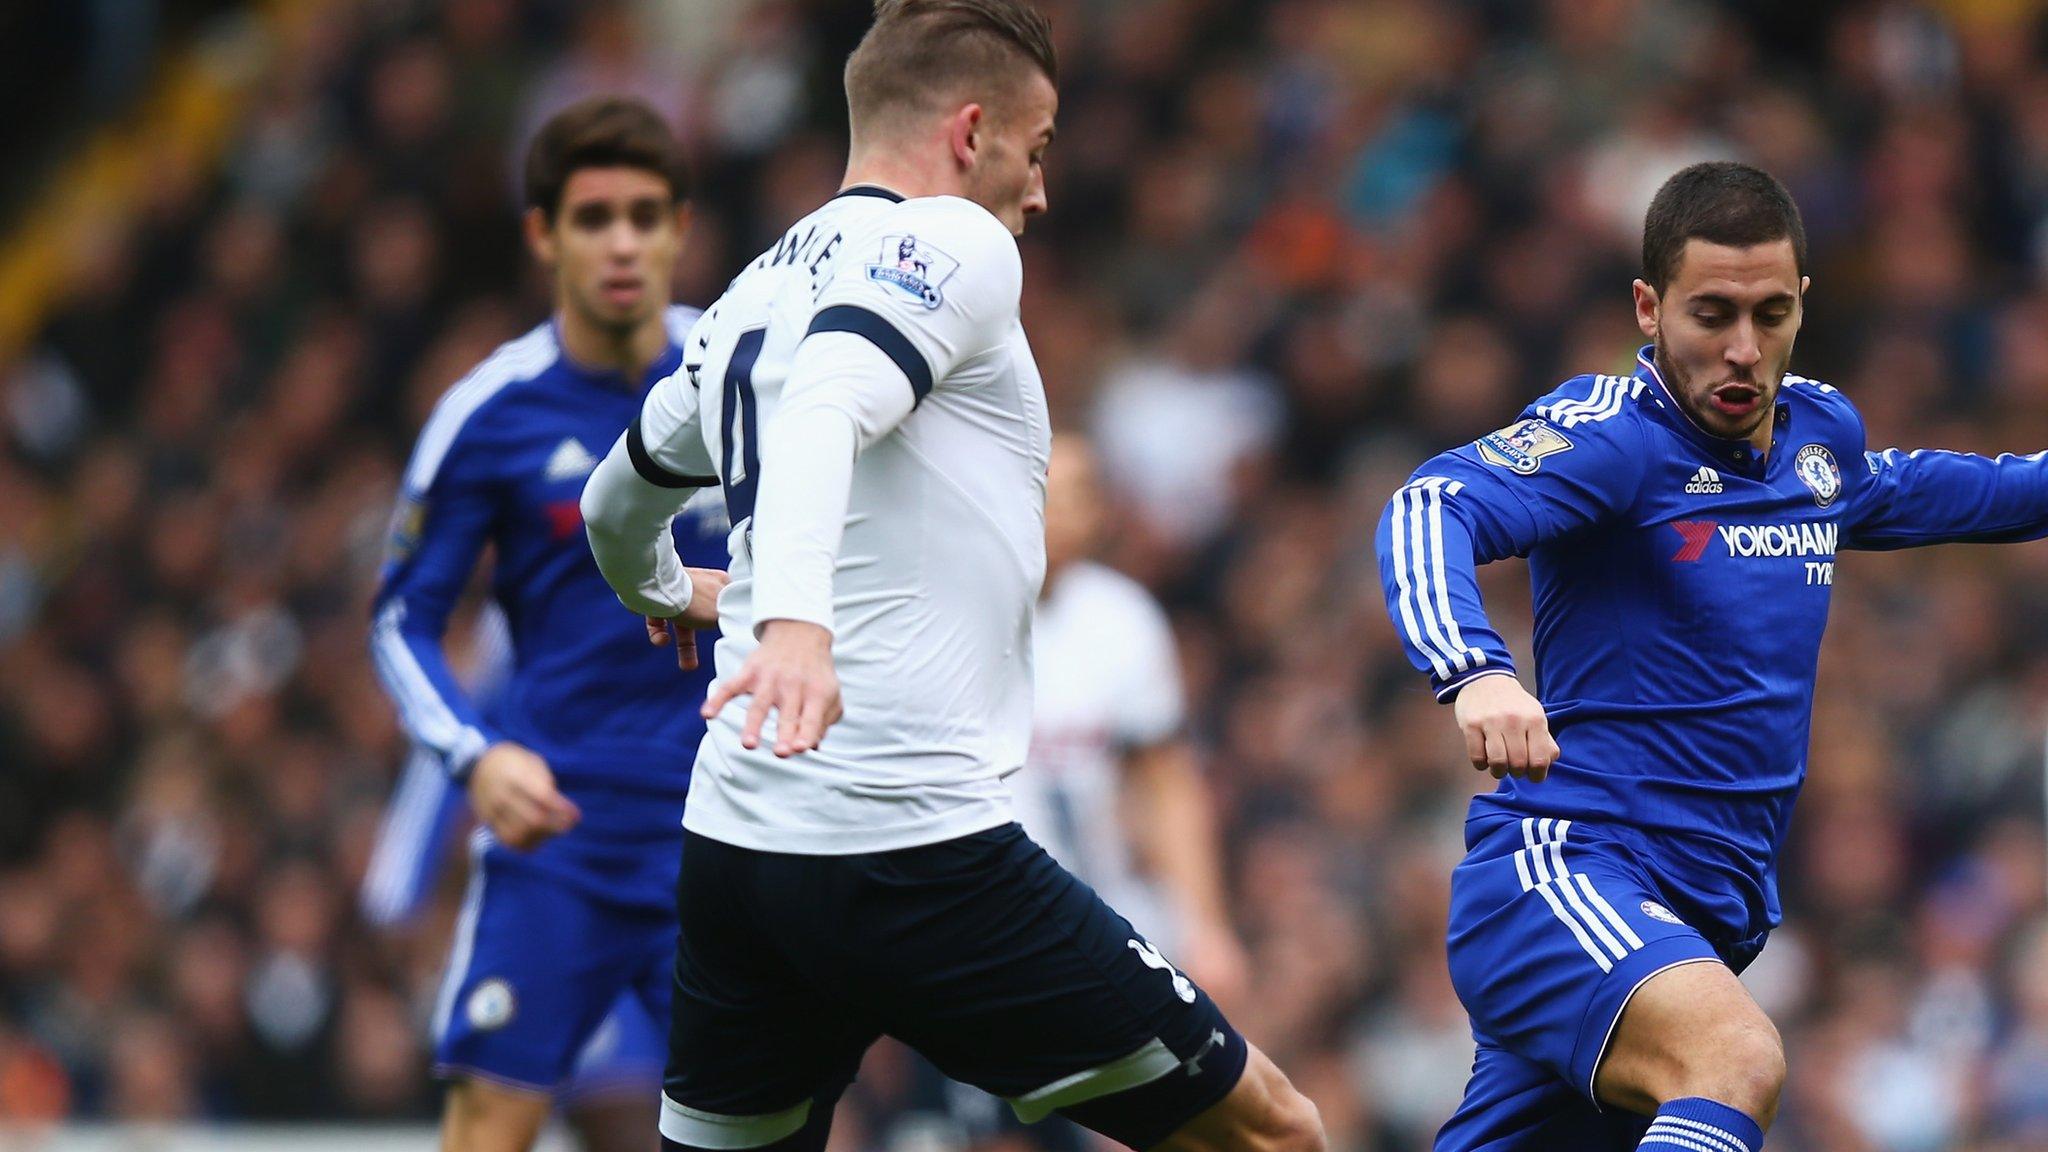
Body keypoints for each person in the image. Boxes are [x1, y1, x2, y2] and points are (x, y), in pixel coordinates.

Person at [579, 4, 1324, 1151]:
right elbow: (835, 394)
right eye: (1035, 151)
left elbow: (613, 502)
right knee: (1271, 1132)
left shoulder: (748, 293)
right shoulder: (957, 242)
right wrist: (791, 625)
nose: (1038, 195)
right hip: (913, 848)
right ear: (970, 132)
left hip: (739, 854)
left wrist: (669, 590)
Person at [1374, 160, 2048, 1152]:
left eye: (1769, 314)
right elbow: (1428, 506)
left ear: (1801, 305)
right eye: (1710, 314)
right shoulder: (1611, 438)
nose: (1742, 349)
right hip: (1565, 879)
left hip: (1690, 918)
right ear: (1648, 306)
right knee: (1732, 1063)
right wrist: (1474, 670)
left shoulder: (1815, 440)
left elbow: (1936, 491)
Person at [369, 95, 728, 1152]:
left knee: (765, 1131)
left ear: (679, 228)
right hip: (556, 836)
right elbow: (400, 625)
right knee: (489, 1126)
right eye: (592, 216)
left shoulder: (743, 376)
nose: (621, 242)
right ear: (542, 236)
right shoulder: (487, 412)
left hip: (722, 833)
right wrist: (475, 760)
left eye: (645, 214)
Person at [359, 608, 686, 1152]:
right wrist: (397, 898)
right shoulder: (543, 590)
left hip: (690, 872)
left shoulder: (734, 565)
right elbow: (462, 732)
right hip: (565, 881)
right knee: (592, 1106)